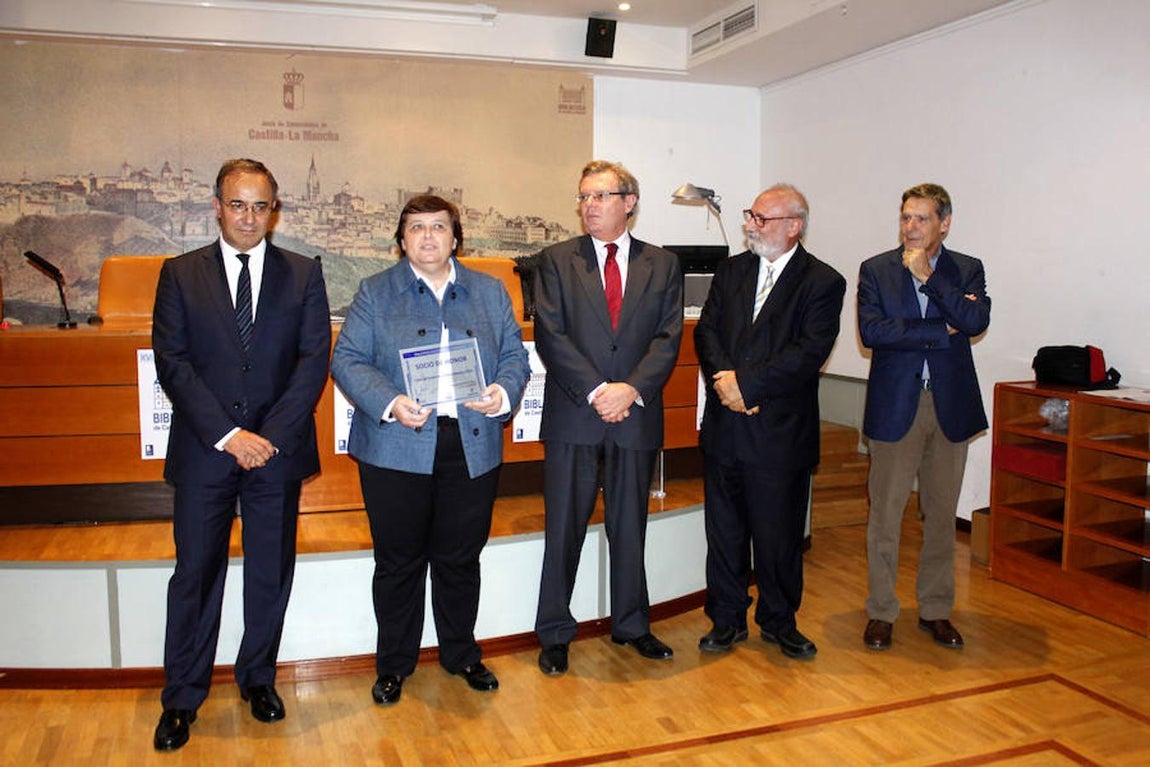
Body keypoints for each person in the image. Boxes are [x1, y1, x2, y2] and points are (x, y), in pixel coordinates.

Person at [151, 158, 331, 751]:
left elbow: (312, 362)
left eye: (260, 206)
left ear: (273, 211)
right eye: (238, 205)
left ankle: (258, 678)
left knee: (268, 572)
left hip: (276, 453)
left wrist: (268, 436)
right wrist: (230, 435)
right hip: (206, 452)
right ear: (217, 207)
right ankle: (182, 697)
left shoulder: (303, 274)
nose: (249, 218)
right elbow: (173, 363)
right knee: (195, 575)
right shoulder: (180, 274)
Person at [330, 194, 529, 706]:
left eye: (438, 227)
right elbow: (347, 360)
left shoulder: (489, 291)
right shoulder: (375, 292)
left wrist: (502, 392)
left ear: (455, 238)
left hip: (470, 443)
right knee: (398, 562)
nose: (427, 236)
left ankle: (461, 653)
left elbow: (515, 356)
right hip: (396, 448)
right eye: (416, 227)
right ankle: (394, 664)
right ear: (401, 240)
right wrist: (390, 401)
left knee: (460, 558)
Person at [533, 160, 683, 675]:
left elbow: (668, 337)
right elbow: (551, 335)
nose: (588, 206)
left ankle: (632, 625)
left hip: (634, 415)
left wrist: (630, 389)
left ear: (629, 202)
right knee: (563, 529)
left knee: (630, 526)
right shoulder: (556, 260)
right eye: (583, 197)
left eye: (599, 196)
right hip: (576, 413)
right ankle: (555, 632)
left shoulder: (663, 264)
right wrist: (600, 391)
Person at [694, 184, 846, 660]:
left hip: (779, 433)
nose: (750, 225)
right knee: (724, 534)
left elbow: (808, 353)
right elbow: (707, 331)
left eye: (761, 218)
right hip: (726, 427)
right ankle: (726, 619)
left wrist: (749, 387)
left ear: (794, 226)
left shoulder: (822, 282)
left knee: (778, 537)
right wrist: (727, 384)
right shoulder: (732, 271)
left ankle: (779, 621)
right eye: (751, 215)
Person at [858, 183, 990, 652]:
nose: (910, 227)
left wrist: (930, 278)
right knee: (885, 516)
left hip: (950, 406)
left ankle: (935, 609)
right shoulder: (876, 269)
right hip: (897, 405)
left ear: (944, 223)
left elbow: (974, 322)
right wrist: (939, 329)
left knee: (940, 516)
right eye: (905, 217)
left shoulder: (966, 269)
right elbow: (873, 332)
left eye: (921, 218)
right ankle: (881, 612)